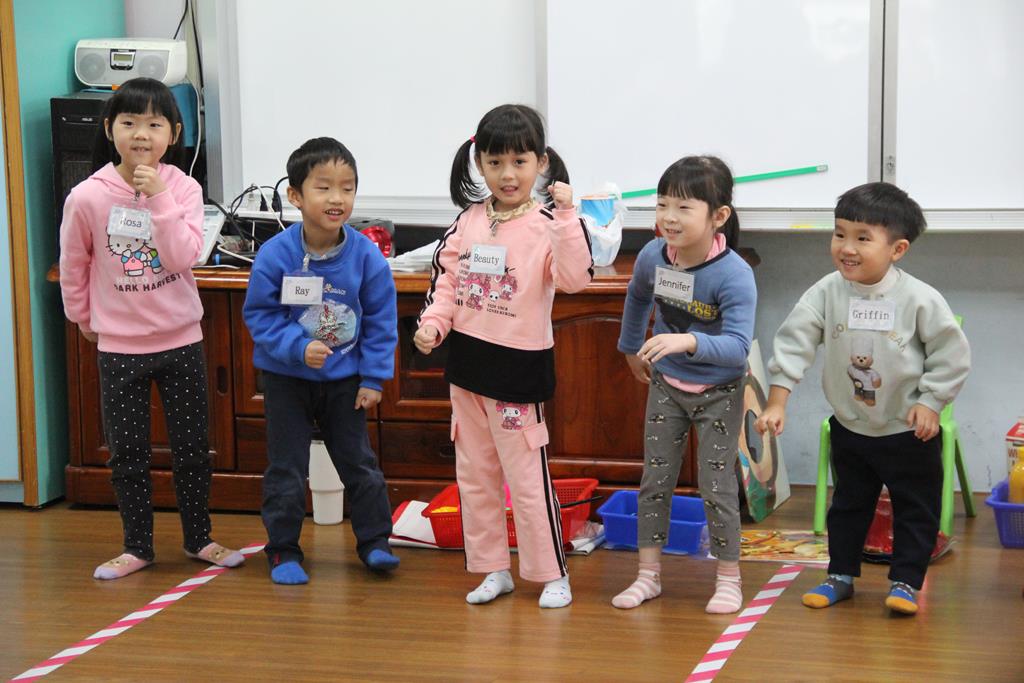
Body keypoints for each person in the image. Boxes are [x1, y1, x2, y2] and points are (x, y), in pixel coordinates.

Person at [755, 182, 970, 615]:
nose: (847, 248)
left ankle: (906, 583)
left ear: (898, 249)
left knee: (916, 508)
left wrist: (931, 402)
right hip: (851, 427)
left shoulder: (920, 299)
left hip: (908, 431)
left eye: (862, 238)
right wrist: (777, 402)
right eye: (840, 234)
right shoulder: (826, 292)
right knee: (849, 506)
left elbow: (951, 356)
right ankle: (840, 575)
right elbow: (794, 343)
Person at [59, 77, 243, 579]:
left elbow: (183, 257)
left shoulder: (183, 188)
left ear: (173, 133)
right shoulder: (87, 196)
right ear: (109, 129)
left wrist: (160, 198)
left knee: (191, 449)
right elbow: (73, 264)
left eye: (154, 123)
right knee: (128, 452)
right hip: (120, 347)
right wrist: (82, 318)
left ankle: (199, 538)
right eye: (129, 122)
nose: (141, 133)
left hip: (181, 339)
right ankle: (137, 546)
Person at [414, 104, 593, 608]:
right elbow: (447, 282)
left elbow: (576, 279)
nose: (507, 174)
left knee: (527, 480)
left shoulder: (548, 222)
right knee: (475, 479)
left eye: (519, 162)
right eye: (495, 163)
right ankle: (493, 569)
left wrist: (567, 216)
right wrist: (433, 324)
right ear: (479, 164)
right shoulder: (469, 220)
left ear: (541, 162)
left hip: (517, 373)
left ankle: (552, 573)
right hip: (467, 370)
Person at [243, 137, 399, 585]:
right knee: (287, 467)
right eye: (324, 187)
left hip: (345, 381)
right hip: (286, 379)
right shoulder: (276, 254)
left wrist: (373, 378)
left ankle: (375, 543)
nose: (337, 198)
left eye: (347, 188)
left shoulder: (366, 256)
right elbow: (260, 315)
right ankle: (283, 550)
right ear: (295, 195)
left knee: (359, 463)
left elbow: (381, 321)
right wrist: (297, 347)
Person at [612, 156, 756, 613]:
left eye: (683, 207)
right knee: (655, 481)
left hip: (720, 392)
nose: (669, 218)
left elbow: (738, 348)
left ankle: (729, 580)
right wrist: (630, 347)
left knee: (717, 487)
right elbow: (637, 297)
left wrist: (687, 340)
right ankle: (648, 576)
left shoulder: (734, 274)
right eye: (662, 205)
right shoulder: (653, 256)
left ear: (719, 216)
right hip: (667, 387)